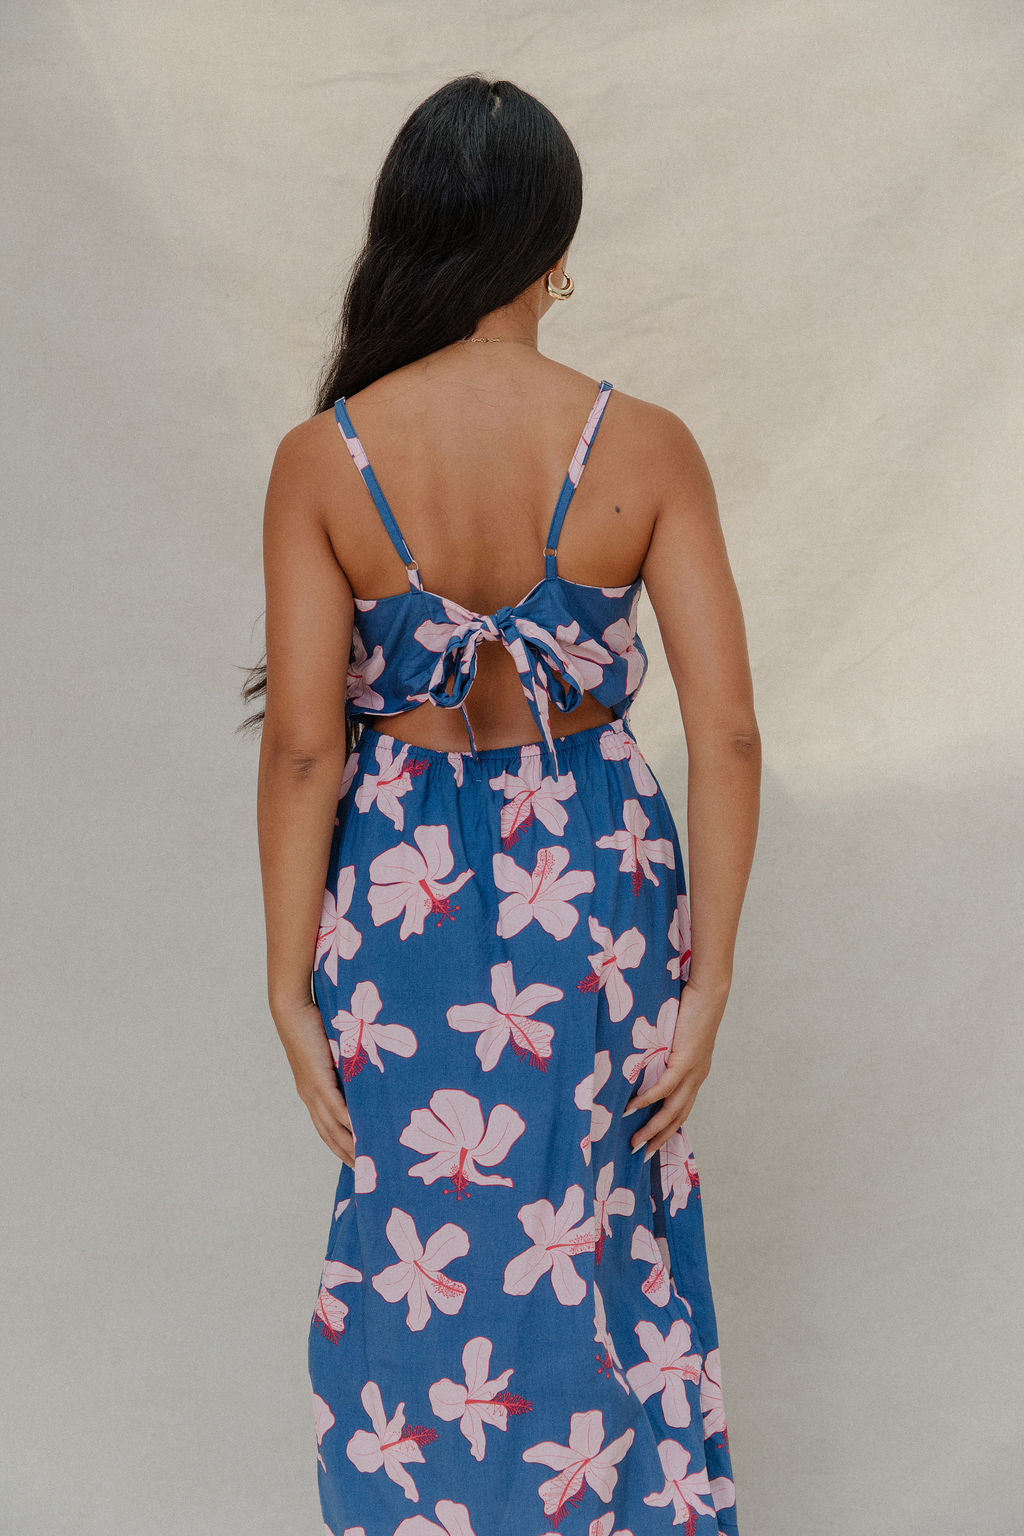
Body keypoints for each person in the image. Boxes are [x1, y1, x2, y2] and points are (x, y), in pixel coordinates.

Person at [242, 72, 760, 1536]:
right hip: (596, 885)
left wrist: (287, 980)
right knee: (606, 1245)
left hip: (404, 897)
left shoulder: (326, 457)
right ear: (551, 245)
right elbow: (722, 732)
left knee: (420, 1244)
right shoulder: (643, 446)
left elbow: (301, 749)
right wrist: (711, 975)